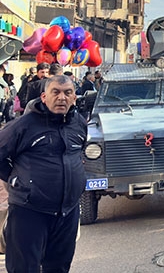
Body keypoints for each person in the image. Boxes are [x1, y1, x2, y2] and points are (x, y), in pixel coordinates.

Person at [0, 75, 87, 272]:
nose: (62, 98)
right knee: (24, 268)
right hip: (29, 212)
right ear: (44, 96)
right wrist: (16, 179)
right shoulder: (24, 125)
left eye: (68, 92)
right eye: (55, 92)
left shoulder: (79, 123)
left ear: (74, 97)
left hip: (67, 212)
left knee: (59, 267)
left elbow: (78, 153)